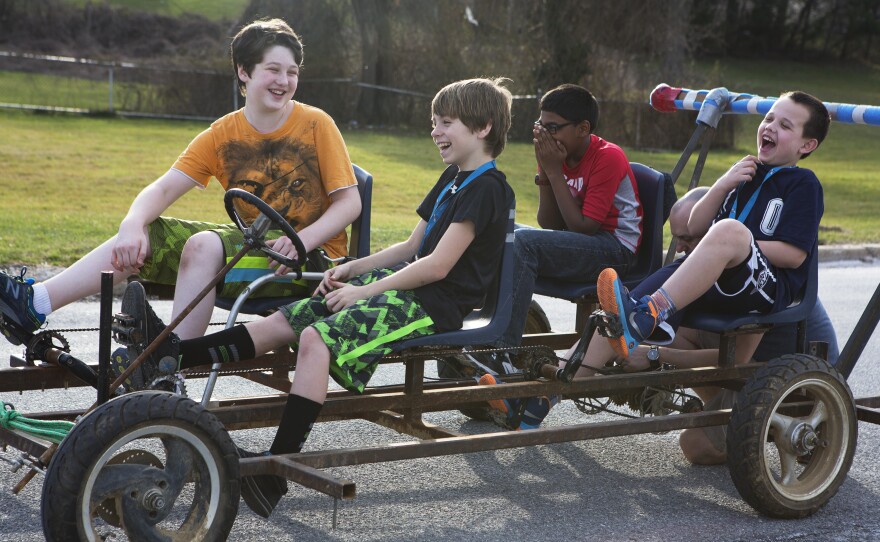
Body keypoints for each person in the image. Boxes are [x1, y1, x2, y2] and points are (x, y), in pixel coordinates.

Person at [116, 77, 516, 517]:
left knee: (316, 340)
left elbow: (438, 266)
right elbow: (408, 248)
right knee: (285, 322)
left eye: (446, 123)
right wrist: (351, 268)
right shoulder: (452, 178)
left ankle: (276, 473)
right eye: (434, 122)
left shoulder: (488, 188)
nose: (435, 131)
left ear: (482, 127)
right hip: (409, 287)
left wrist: (365, 290)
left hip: (436, 305)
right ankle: (167, 353)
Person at [0, 18, 361, 349]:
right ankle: (35, 303)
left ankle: (173, 362)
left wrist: (302, 243)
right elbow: (161, 189)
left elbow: (349, 203)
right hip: (256, 250)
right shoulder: (221, 135)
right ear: (244, 72)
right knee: (148, 234)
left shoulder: (316, 124)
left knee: (203, 246)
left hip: (311, 264)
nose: (284, 81)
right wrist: (132, 224)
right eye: (273, 70)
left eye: (292, 72)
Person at [497, 84, 642, 350]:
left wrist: (552, 171)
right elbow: (549, 223)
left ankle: (502, 349)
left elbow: (584, 227)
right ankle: (484, 330)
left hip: (615, 250)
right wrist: (547, 170)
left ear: (583, 129)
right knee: (497, 230)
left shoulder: (608, 156)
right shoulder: (555, 154)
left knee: (523, 242)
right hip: (580, 240)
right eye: (540, 125)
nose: (544, 134)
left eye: (553, 128)